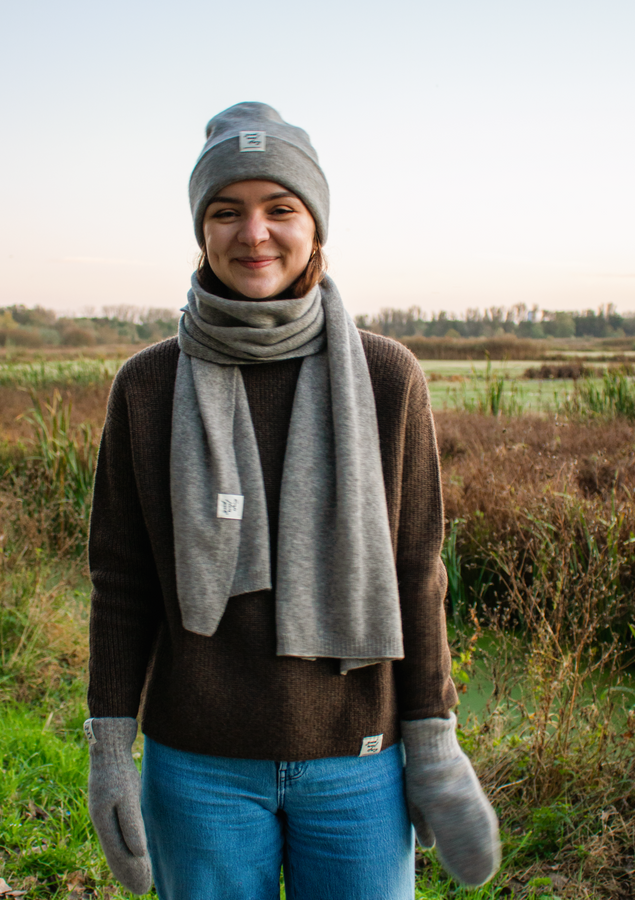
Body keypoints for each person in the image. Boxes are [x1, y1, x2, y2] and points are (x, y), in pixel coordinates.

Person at [83, 102, 500, 900]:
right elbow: (121, 582)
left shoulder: (386, 377)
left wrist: (435, 741)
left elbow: (418, 569)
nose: (254, 234)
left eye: (281, 209)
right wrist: (109, 745)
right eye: (226, 212)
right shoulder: (147, 386)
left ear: (317, 227)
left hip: (359, 765)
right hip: (198, 767)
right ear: (200, 232)